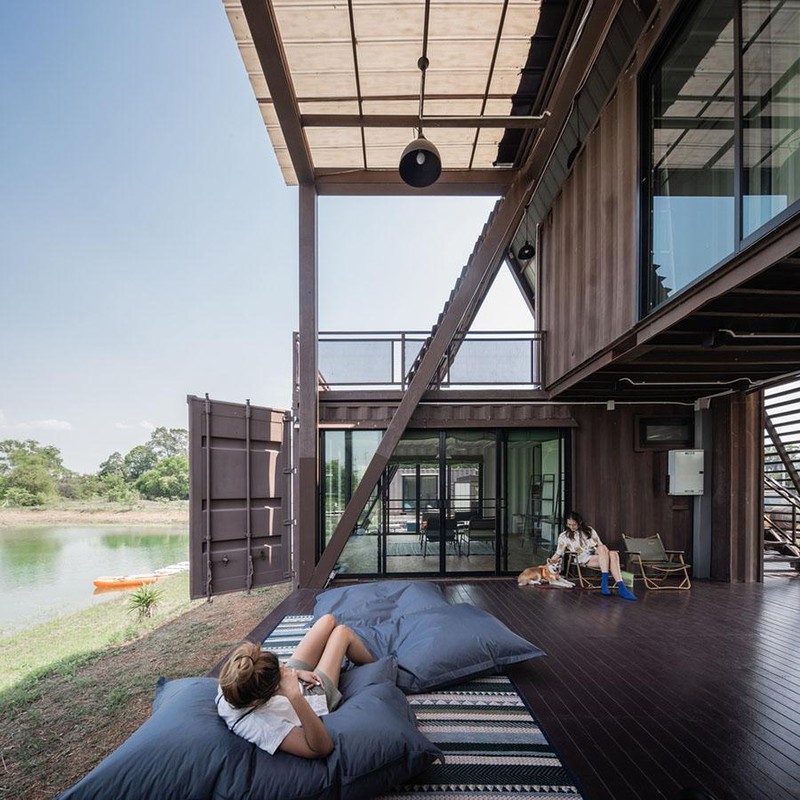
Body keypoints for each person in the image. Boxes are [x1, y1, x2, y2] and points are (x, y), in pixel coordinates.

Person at [216, 614, 375, 758]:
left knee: (328, 620)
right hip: (313, 696)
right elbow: (323, 748)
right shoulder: (262, 726)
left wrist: (295, 673)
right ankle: (376, 668)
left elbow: (269, 673)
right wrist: (294, 695)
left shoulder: (233, 680)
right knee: (342, 633)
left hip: (289, 682)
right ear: (272, 692)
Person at [548, 511, 637, 601]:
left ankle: (606, 583)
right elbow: (558, 553)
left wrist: (605, 554)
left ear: (579, 522)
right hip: (583, 557)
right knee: (613, 555)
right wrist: (549, 564)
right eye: (569, 525)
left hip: (597, 553)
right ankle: (620, 587)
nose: (571, 527)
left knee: (610, 552)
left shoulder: (589, 530)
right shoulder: (564, 536)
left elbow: (600, 545)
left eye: (574, 524)